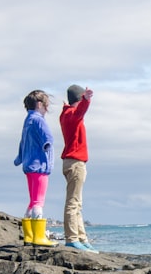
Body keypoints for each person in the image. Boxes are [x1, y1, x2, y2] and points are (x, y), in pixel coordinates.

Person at [14, 90, 56, 246]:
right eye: (46, 106)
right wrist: (47, 152)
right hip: (39, 166)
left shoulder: (28, 120)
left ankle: (29, 236)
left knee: (32, 201)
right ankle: (39, 237)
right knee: (38, 201)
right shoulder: (39, 120)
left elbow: (22, 142)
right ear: (39, 105)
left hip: (28, 165)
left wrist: (19, 158)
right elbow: (48, 139)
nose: (47, 109)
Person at [59, 84, 98, 253]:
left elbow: (78, 111)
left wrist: (83, 100)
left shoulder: (65, 114)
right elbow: (80, 111)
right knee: (73, 203)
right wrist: (86, 100)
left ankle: (82, 238)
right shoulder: (72, 115)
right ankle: (72, 239)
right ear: (79, 97)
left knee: (77, 203)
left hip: (71, 162)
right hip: (75, 163)